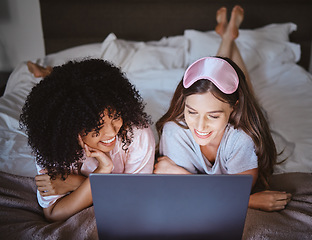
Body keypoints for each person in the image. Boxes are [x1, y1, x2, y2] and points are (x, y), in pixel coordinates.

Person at [154, 6, 291, 212]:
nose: (200, 125)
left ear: (233, 108)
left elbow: (236, 191)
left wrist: (183, 175)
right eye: (192, 112)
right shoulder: (175, 131)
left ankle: (228, 38)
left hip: (241, 112)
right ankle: (228, 38)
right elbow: (178, 192)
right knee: (215, 74)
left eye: (213, 115)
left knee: (245, 88)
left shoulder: (242, 137)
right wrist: (250, 202)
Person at [20, 59, 155, 222]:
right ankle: (46, 73)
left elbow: (136, 201)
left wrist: (77, 183)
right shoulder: (53, 143)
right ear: (71, 129)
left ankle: (49, 72)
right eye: (97, 127)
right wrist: (102, 171)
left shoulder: (137, 133)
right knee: (65, 88)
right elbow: (53, 213)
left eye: (115, 117)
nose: (111, 132)